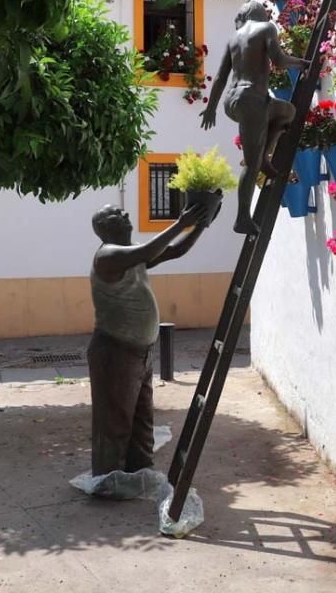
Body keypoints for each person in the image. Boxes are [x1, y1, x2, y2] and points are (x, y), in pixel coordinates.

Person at [87, 202, 207, 477]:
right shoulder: (108, 255)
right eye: (118, 214)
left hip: (138, 352)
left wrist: (201, 224)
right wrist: (181, 222)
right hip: (115, 351)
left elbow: (174, 250)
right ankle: (108, 480)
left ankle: (140, 472)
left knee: (142, 420)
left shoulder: (130, 255)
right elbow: (149, 250)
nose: (127, 215)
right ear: (106, 228)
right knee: (114, 422)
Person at [200, 1, 307, 235]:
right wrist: (301, 63)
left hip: (233, 101)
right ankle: (242, 218)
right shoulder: (266, 28)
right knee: (251, 164)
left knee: (286, 111)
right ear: (260, 13)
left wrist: (212, 109)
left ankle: (265, 158)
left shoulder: (233, 38)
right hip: (252, 100)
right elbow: (278, 59)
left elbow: (219, 77)